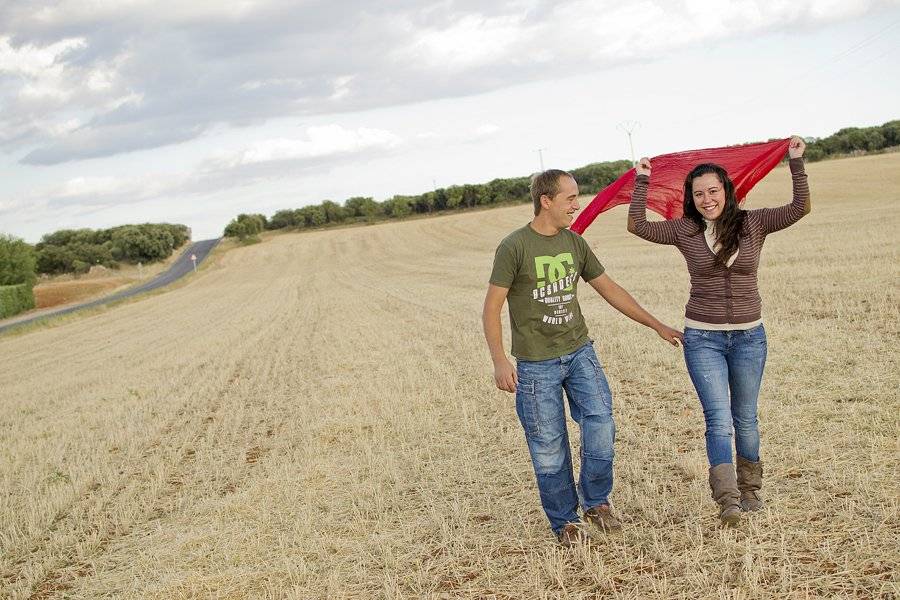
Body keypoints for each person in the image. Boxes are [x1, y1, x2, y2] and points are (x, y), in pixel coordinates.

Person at [483, 168, 683, 547]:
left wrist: (657, 325)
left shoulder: (574, 243)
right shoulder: (514, 247)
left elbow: (610, 289)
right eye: (570, 197)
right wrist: (499, 361)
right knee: (548, 445)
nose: (578, 204)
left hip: (579, 353)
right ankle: (565, 522)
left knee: (601, 425)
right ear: (546, 201)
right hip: (536, 364)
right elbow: (491, 308)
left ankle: (595, 502)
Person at [626, 136, 810, 525]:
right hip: (702, 338)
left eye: (713, 190)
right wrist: (641, 180)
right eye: (698, 194)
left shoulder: (754, 223)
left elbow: (799, 208)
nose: (707, 199)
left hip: (749, 337)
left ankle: (750, 490)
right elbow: (638, 225)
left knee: (745, 417)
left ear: (726, 191)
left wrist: (796, 162)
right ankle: (727, 500)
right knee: (717, 417)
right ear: (690, 199)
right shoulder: (683, 231)